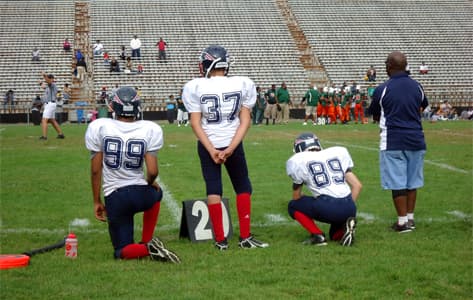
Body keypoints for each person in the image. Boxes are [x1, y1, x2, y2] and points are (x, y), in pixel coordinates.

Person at [182, 45, 269, 250]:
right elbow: (245, 120)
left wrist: (212, 149)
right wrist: (231, 147)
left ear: (207, 64)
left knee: (214, 189)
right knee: (243, 186)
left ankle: (220, 240)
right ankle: (245, 237)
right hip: (233, 142)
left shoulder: (195, 86)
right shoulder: (242, 83)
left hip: (208, 143)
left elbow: (195, 123)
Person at [84, 86, 180, 263]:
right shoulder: (150, 128)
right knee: (157, 193)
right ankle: (147, 239)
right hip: (141, 194)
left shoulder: (99, 126)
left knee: (121, 251)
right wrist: (151, 182)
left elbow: (96, 170)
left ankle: (146, 248)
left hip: (115, 197)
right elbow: (152, 171)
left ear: (113, 106)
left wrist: (97, 200)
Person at [368, 51, 428, 233]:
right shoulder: (418, 86)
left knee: (397, 182)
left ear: (389, 67)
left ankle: (402, 223)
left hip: (393, 139)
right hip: (416, 138)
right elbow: (422, 107)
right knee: (412, 181)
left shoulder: (383, 88)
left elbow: (375, 114)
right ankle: (410, 218)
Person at [286, 132, 362, 246]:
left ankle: (317, 236)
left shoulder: (299, 160)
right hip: (350, 208)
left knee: (293, 206)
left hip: (327, 206)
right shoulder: (336, 154)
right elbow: (357, 186)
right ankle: (345, 228)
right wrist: (347, 206)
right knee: (334, 235)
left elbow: (296, 197)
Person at [39, 73, 65, 140]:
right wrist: (40, 83)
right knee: (52, 120)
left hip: (50, 104)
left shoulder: (52, 85)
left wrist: (44, 76)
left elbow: (48, 82)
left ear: (51, 79)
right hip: (51, 104)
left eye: (49, 78)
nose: (47, 80)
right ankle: (60, 134)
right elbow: (44, 86)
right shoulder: (49, 86)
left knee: (44, 120)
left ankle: (44, 136)